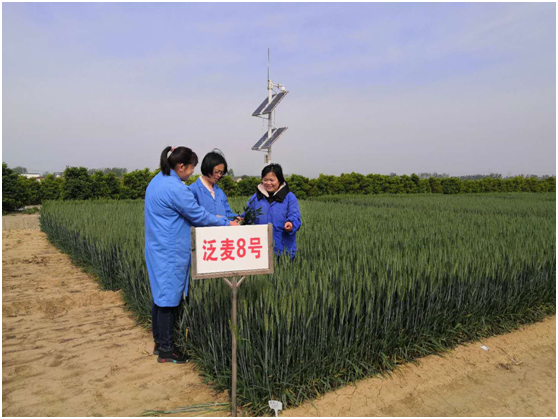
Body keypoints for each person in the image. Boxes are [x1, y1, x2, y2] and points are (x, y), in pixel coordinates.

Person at [145, 146, 239, 364]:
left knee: (160, 296)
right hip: (170, 251)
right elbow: (198, 215)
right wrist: (226, 223)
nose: (191, 173)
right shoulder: (176, 188)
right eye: (191, 168)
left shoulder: (157, 180)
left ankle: (160, 342)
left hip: (157, 247)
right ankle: (167, 350)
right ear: (181, 166)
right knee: (169, 299)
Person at [245, 164, 301, 259]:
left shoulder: (289, 197)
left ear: (279, 180)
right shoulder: (255, 198)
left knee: (284, 268)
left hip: (284, 250)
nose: (268, 183)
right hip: (260, 250)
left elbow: (295, 216)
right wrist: (241, 220)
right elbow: (247, 216)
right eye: (265, 180)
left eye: (271, 180)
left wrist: (291, 224)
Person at [190, 149, 237, 221]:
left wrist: (236, 217)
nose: (219, 175)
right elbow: (193, 215)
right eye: (216, 172)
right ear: (207, 167)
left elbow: (227, 213)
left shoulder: (220, 192)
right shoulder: (193, 190)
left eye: (221, 173)